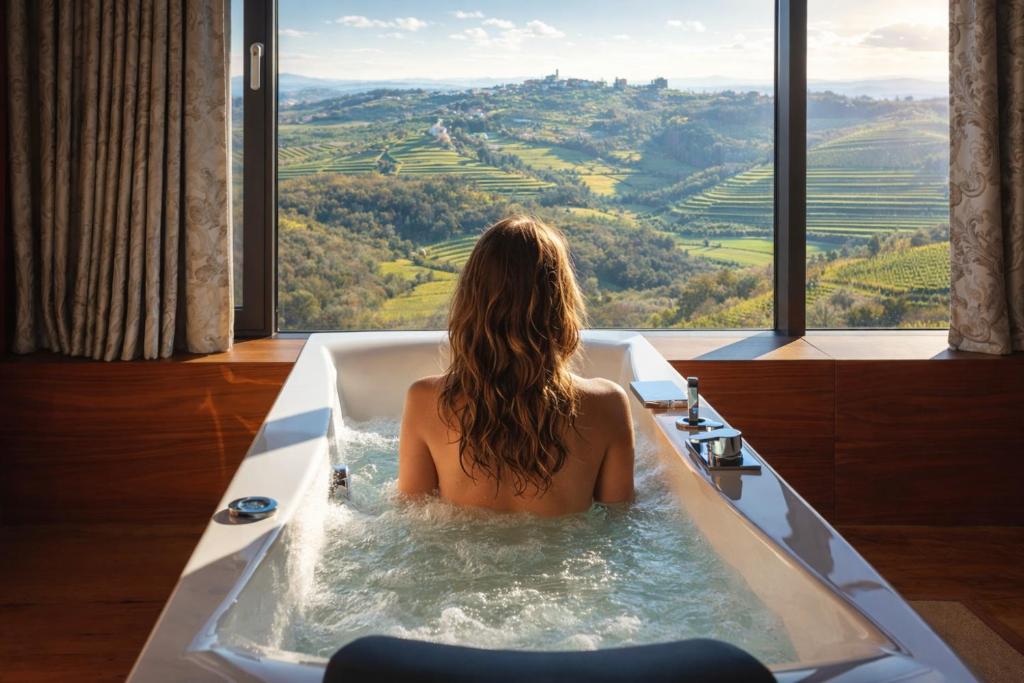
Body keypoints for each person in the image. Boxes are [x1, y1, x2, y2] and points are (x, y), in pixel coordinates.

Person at [398, 216, 634, 515]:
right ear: (561, 305)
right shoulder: (607, 405)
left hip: (465, 557)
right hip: (562, 560)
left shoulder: (425, 400)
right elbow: (619, 518)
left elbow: (412, 514)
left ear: (472, 302)